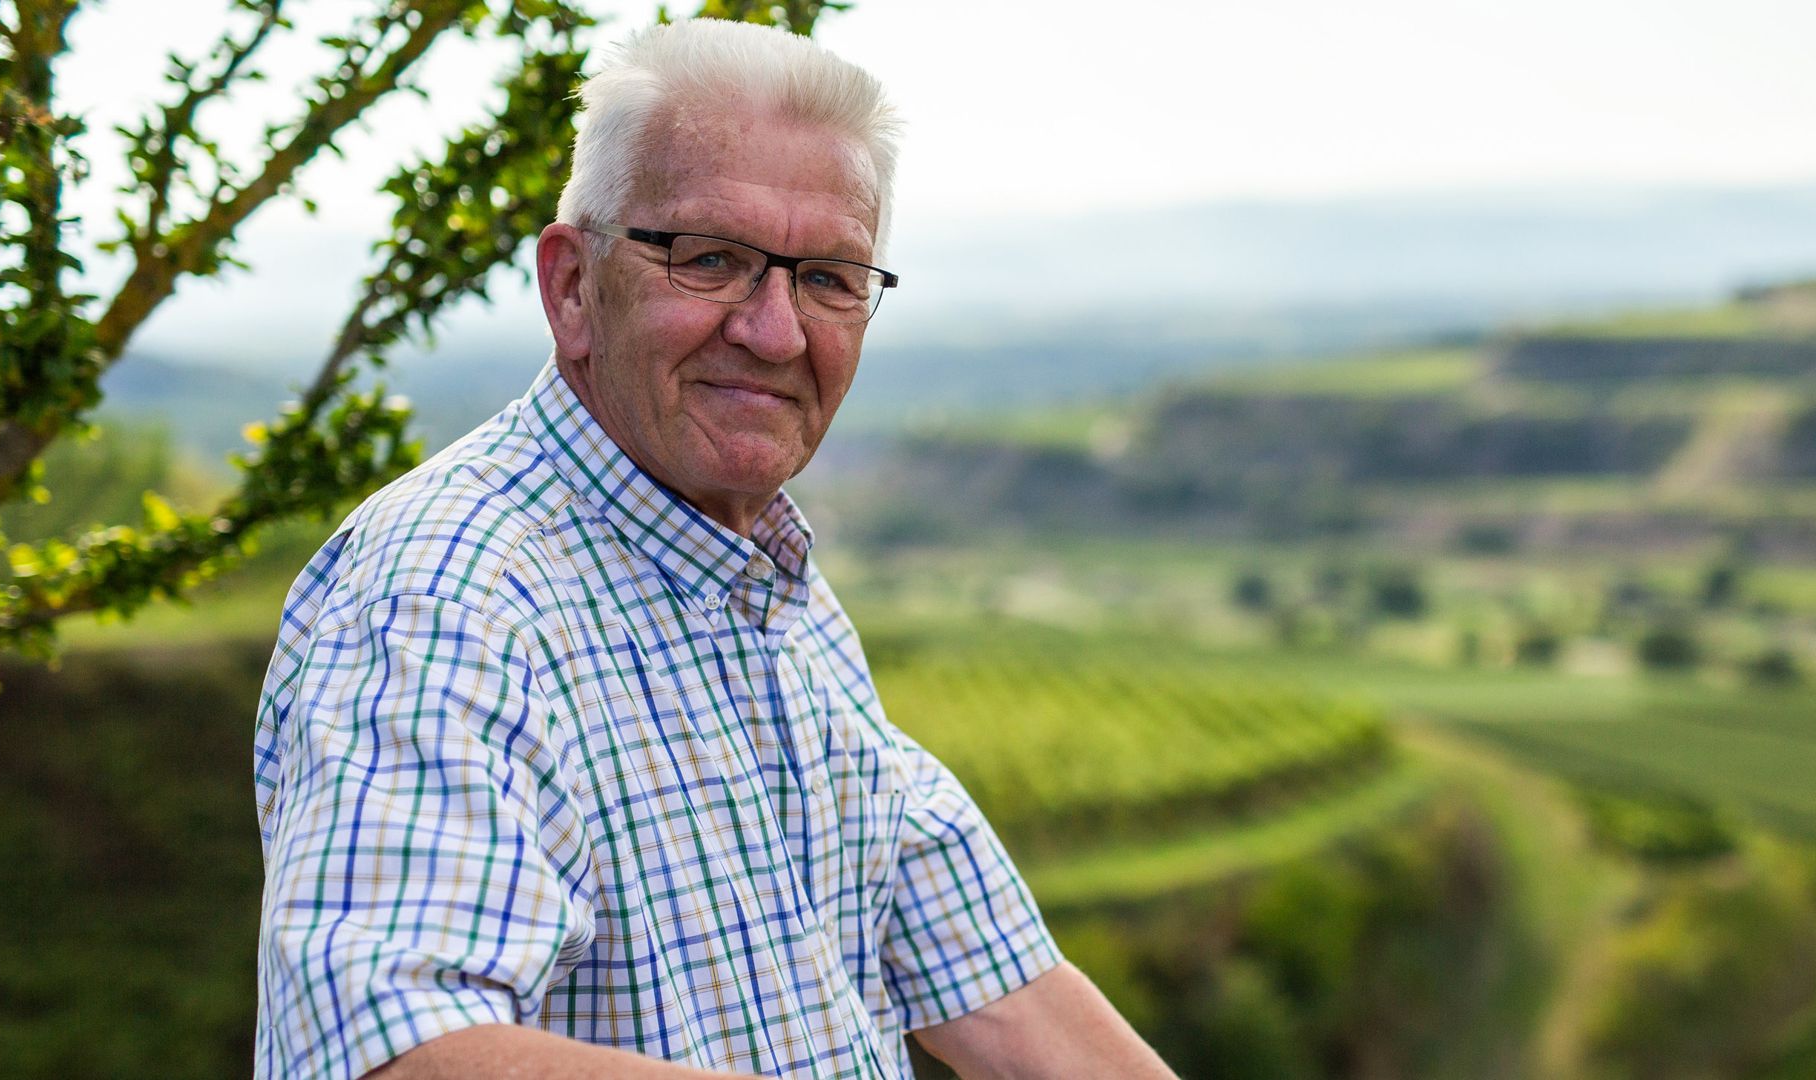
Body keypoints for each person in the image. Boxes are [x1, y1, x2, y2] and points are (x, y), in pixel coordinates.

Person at [252, 18, 1176, 1080]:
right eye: (713, 260)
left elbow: (999, 985)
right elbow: (399, 1053)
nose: (775, 331)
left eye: (829, 278)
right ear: (571, 288)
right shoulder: (452, 592)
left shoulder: (765, 584)